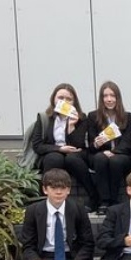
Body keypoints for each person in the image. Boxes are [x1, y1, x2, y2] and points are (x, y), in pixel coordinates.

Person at [31, 83, 100, 211]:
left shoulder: (82, 118)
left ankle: (93, 195)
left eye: (69, 99)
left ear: (74, 102)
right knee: (54, 158)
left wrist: (71, 126)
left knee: (72, 159)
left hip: (75, 153)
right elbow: (37, 145)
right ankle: (45, 198)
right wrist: (59, 149)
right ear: (54, 99)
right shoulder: (44, 118)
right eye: (61, 98)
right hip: (51, 153)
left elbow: (78, 145)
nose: (64, 101)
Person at [86, 81, 131, 214]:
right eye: (105, 96)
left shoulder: (128, 117)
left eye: (112, 95)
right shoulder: (92, 116)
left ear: (117, 98)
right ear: (101, 99)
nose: (109, 99)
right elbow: (91, 144)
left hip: (121, 154)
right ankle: (104, 201)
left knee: (116, 161)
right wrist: (96, 143)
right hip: (100, 154)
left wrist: (114, 152)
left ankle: (114, 200)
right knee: (100, 159)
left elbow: (128, 141)